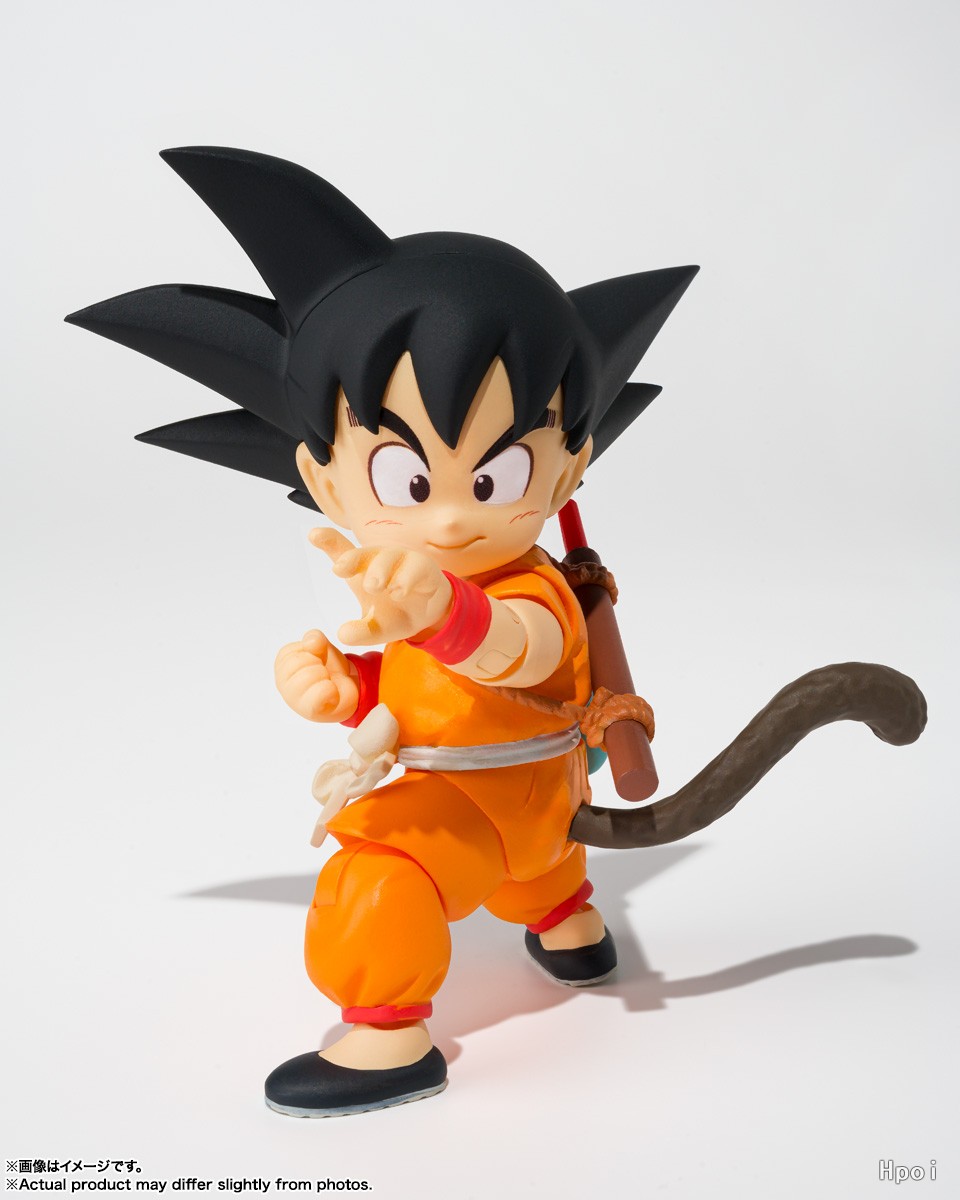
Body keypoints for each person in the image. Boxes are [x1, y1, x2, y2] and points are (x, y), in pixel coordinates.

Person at [65, 145, 698, 1115]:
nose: (449, 519)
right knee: (535, 881)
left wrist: (445, 614)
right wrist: (349, 688)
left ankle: (390, 1039)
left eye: (494, 478)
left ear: (569, 469)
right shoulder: (418, 587)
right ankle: (567, 924)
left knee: (377, 875)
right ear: (323, 481)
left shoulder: (536, 587)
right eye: (406, 479)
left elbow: (516, 649)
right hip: (525, 813)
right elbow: (427, 690)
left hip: (501, 806)